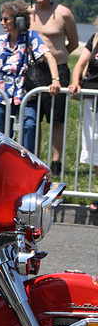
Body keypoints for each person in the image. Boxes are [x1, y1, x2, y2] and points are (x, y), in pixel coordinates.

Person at [0, 0, 60, 153]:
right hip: (2, 97)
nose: (2, 22)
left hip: (26, 95)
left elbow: (49, 57)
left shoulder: (31, 37)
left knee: (29, 125)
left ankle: (29, 163)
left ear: (19, 21)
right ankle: (4, 164)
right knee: (1, 135)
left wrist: (55, 80)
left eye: (6, 19)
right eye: (1, 18)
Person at [28, 0, 79, 176]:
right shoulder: (27, 13)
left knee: (57, 119)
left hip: (59, 70)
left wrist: (58, 59)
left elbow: (74, 43)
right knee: (34, 118)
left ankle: (56, 162)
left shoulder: (63, 13)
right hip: (34, 71)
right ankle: (35, 159)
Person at [69, 16, 98, 212]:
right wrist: (76, 81)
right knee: (95, 149)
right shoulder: (95, 38)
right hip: (91, 98)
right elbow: (80, 64)